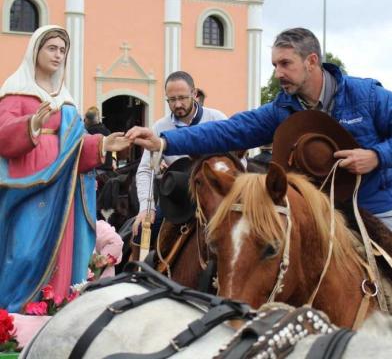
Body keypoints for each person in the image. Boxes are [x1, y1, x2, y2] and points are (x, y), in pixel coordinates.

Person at [126, 27, 392, 230]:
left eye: (285, 63)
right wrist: (163, 142)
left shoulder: (365, 95)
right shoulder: (282, 109)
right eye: (275, 64)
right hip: (315, 214)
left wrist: (376, 157)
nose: (277, 73)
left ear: (311, 61)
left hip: (374, 209)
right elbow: (228, 131)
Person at [0, 25, 130, 312]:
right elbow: (2, 134)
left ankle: (51, 308)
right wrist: (31, 124)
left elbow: (77, 144)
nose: (58, 55)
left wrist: (104, 143)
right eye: (52, 48)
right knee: (24, 252)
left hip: (63, 190)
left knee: (62, 253)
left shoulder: (66, 100)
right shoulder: (15, 91)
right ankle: (11, 317)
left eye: (63, 50)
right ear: (35, 50)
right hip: (27, 185)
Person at [132, 71, 227, 240]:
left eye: (182, 98)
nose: (177, 104)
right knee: (141, 233)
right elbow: (145, 169)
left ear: (194, 94)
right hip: (177, 198)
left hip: (215, 195)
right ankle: (139, 266)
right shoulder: (159, 127)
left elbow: (237, 159)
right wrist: (147, 208)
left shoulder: (217, 119)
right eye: (172, 100)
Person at [84, 106, 115, 171]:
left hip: (95, 170)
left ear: (87, 120)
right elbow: (113, 149)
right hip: (108, 169)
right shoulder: (107, 131)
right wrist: (113, 160)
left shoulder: (87, 133)